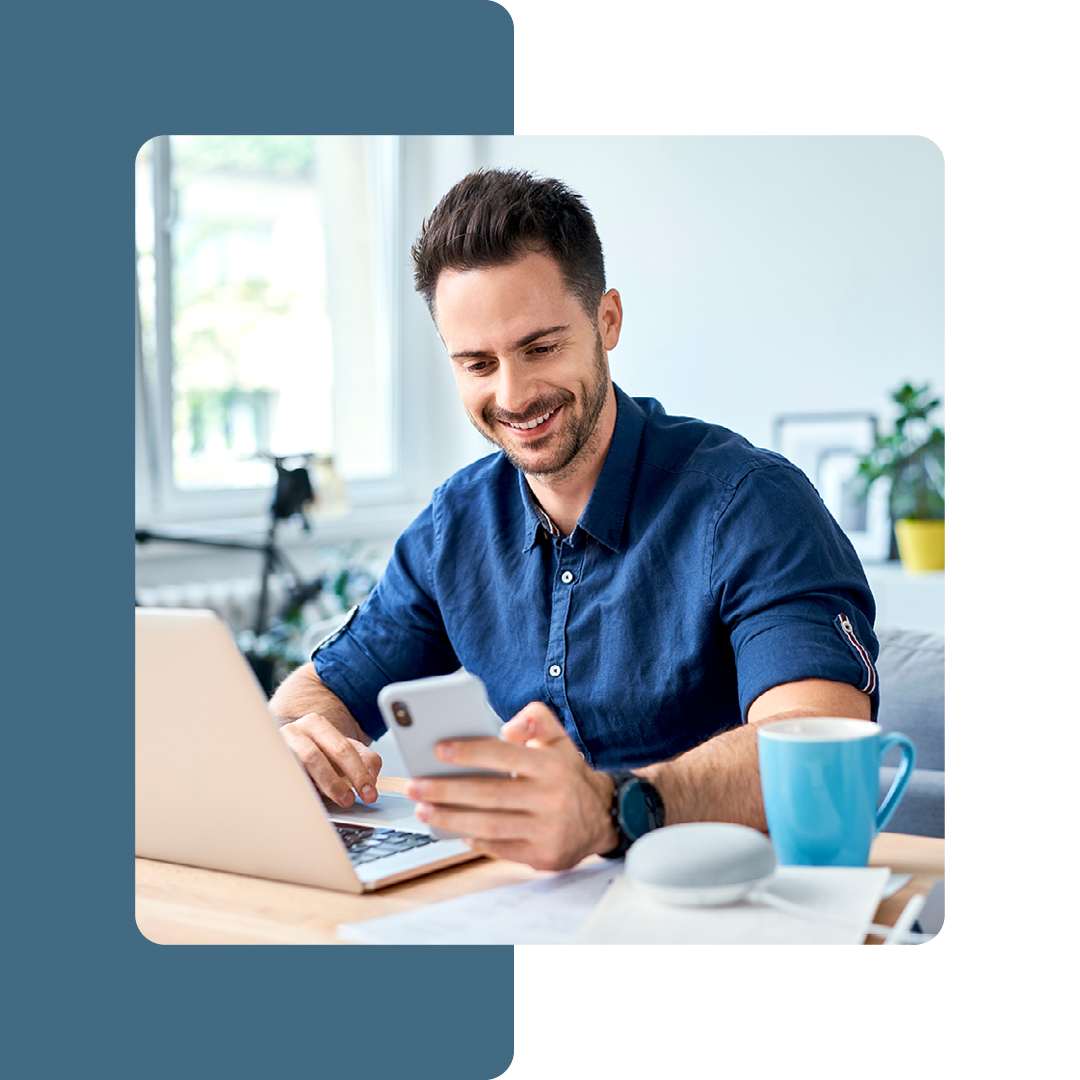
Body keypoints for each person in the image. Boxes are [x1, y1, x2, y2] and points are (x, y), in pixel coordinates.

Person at [269, 169, 878, 871]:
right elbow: (322, 690)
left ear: (607, 320)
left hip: (730, 902)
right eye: (477, 363)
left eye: (540, 347)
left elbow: (816, 740)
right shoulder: (455, 526)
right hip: (536, 905)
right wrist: (292, 736)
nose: (513, 393)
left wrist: (611, 809)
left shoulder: (752, 504)